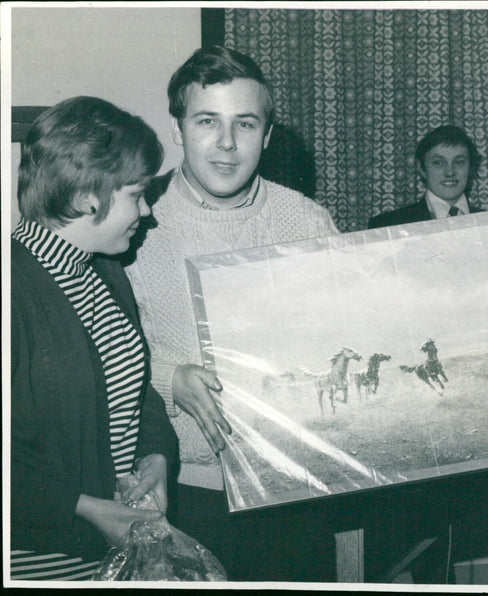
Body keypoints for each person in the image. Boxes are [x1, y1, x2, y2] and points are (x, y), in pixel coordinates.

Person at [123, 45, 340, 582]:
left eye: (245, 123)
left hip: (296, 491)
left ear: (267, 134)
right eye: (206, 122)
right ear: (177, 129)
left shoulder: (308, 221)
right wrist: (170, 376)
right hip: (182, 495)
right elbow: (93, 347)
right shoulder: (130, 223)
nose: (226, 144)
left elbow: (351, 335)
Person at [10, 96, 177, 580]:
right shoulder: (12, 287)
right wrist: (83, 507)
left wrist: (156, 455)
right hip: (42, 558)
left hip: (109, 551)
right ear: (89, 196)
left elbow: (135, 389)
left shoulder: (104, 273)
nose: (146, 212)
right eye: (137, 194)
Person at [368, 124, 484, 228]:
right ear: (422, 169)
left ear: (471, 168)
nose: (450, 172)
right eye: (438, 163)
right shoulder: (386, 225)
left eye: (459, 162)